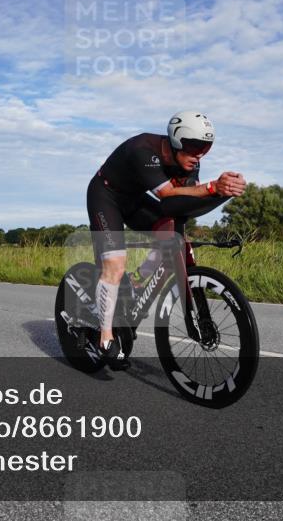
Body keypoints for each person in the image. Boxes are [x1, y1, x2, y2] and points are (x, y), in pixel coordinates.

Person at [87, 110, 246, 370]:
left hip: (135, 200)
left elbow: (180, 205)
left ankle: (136, 281)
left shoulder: (190, 162)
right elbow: (168, 194)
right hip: (105, 196)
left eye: (206, 147)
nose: (199, 154)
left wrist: (224, 192)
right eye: (194, 146)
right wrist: (213, 187)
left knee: (171, 233)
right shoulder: (143, 150)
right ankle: (105, 339)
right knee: (115, 264)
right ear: (175, 140)